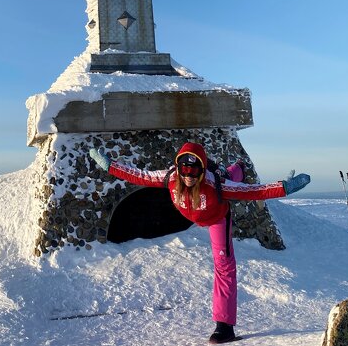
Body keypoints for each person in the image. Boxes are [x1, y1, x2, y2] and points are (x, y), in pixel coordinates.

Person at [89, 141, 310, 345]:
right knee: (226, 174)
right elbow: (139, 175)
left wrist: (284, 187)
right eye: (184, 169)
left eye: (194, 170)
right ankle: (234, 168)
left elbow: (254, 191)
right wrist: (110, 166)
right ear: (178, 167)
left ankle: (224, 327)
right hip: (196, 211)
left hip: (216, 217)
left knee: (224, 267)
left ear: (202, 170)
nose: (188, 175)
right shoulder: (171, 177)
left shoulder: (216, 186)